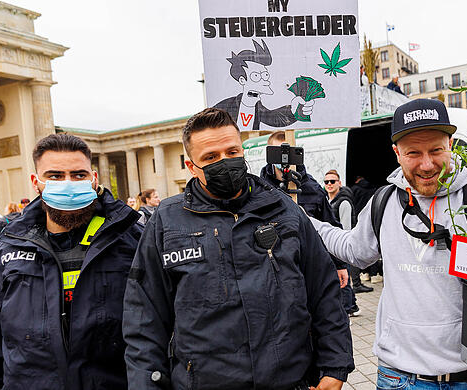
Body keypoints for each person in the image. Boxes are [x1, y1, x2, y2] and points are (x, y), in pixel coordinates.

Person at [310, 99, 467, 390]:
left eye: (436, 150)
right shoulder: (383, 204)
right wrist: (303, 219)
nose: (427, 165)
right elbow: (353, 250)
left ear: (451, 144)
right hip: (399, 379)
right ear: (396, 153)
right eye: (414, 153)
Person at [122, 108, 353, 389]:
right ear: (191, 166)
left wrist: (335, 367)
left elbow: (324, 291)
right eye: (211, 157)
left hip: (290, 380)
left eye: (232, 152)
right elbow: (144, 317)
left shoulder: (285, 210)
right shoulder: (167, 222)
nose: (224, 162)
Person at [0, 133, 143, 388]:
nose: (68, 184)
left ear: (94, 179)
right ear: (36, 182)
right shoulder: (6, 251)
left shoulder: (132, 241)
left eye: (78, 175)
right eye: (55, 176)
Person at [260, 131, 351, 292]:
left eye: (287, 152)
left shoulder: (312, 188)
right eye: (278, 152)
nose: (283, 159)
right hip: (274, 271)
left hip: (309, 267)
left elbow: (329, 225)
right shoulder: (260, 191)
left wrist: (339, 265)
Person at [213, 39, 313, 131]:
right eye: (256, 76)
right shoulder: (224, 108)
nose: (265, 80)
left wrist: (293, 110)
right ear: (243, 80)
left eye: (265, 75)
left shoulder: (257, 107)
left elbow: (274, 118)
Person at [324, 169, 373, 295]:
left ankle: (351, 305)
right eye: (326, 182)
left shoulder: (343, 202)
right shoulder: (327, 201)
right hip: (331, 246)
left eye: (332, 181)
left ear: (339, 183)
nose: (329, 184)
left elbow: (345, 229)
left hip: (339, 246)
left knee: (343, 281)